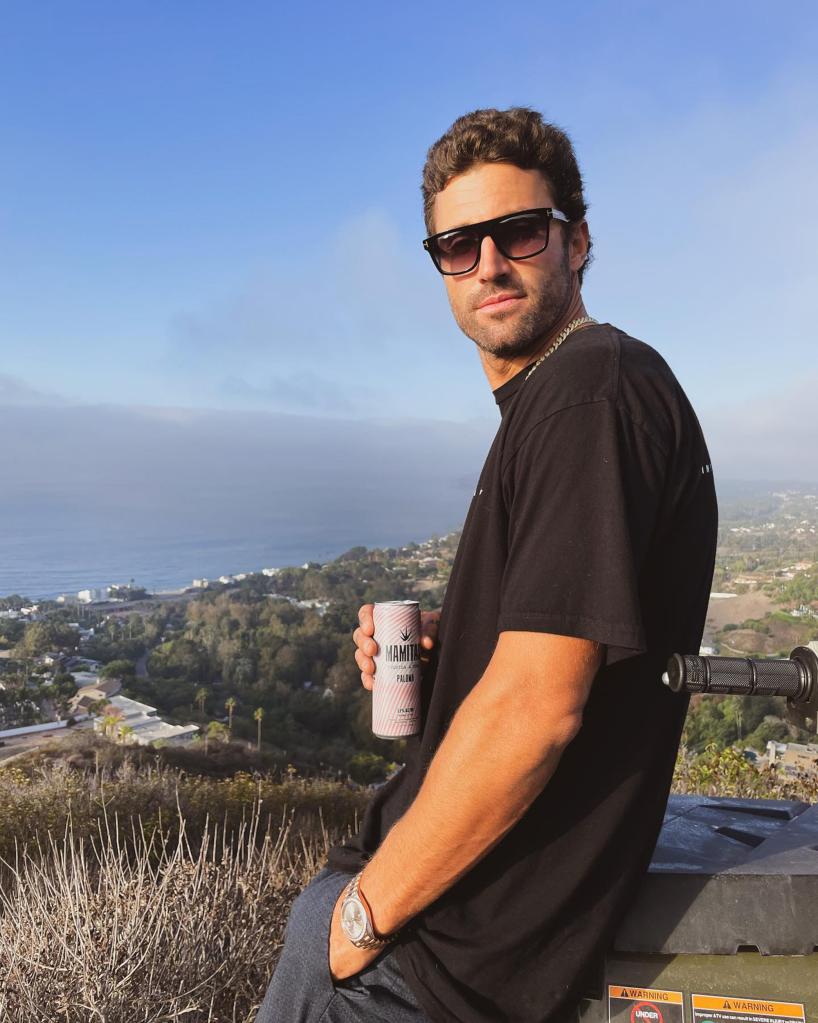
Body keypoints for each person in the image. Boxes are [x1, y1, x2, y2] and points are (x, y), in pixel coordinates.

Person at [255, 107, 717, 1023]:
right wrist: (450, 646)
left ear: (576, 241)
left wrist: (363, 913)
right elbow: (551, 658)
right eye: (458, 245)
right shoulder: (563, 404)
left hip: (438, 960)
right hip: (439, 936)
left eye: (519, 232)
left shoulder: (590, 392)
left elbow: (538, 709)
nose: (490, 264)